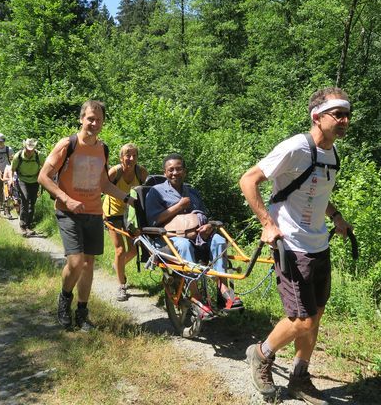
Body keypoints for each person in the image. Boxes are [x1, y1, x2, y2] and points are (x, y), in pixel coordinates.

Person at [239, 87, 353, 404]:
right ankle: (261, 354)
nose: (345, 120)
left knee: (315, 315)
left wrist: (337, 217)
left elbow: (316, 194)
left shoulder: (330, 154)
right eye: (338, 114)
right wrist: (267, 224)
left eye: (347, 115)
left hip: (318, 244)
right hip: (290, 243)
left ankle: (300, 378)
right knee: (301, 319)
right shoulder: (295, 147)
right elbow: (248, 180)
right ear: (317, 117)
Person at [38, 100, 136, 332]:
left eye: (98, 119)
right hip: (68, 211)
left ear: (102, 123)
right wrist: (67, 198)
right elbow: (43, 176)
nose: (94, 123)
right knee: (76, 262)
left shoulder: (102, 148)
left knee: (89, 264)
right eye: (90, 118)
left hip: (93, 213)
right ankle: (64, 300)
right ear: (81, 119)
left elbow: (103, 184)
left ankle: (82, 313)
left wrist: (128, 199)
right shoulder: (68, 144)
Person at [145, 153, 244, 319]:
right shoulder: (156, 192)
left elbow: (203, 214)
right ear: (165, 173)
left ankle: (223, 290)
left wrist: (208, 226)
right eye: (171, 170)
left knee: (219, 240)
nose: (175, 173)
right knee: (184, 245)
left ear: (185, 171)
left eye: (179, 169)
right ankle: (196, 296)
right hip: (169, 238)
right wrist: (179, 206)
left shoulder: (192, 191)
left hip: (199, 236)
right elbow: (154, 219)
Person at [103, 143, 149, 301]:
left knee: (134, 250)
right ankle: (121, 286)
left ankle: (118, 267)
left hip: (130, 214)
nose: (131, 158)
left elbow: (146, 194)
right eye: (127, 155)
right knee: (120, 250)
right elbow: (102, 188)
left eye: (134, 155)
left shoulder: (141, 172)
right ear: (121, 157)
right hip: (112, 212)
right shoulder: (115, 172)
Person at [11, 138, 43, 236]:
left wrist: (43, 180)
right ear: (24, 147)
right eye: (28, 149)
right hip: (22, 180)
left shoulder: (39, 155)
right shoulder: (18, 156)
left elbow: (45, 167)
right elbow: (12, 169)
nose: (30, 151)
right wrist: (11, 180)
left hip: (35, 180)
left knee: (32, 203)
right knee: (25, 200)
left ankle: (28, 226)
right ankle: (22, 226)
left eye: (32, 149)